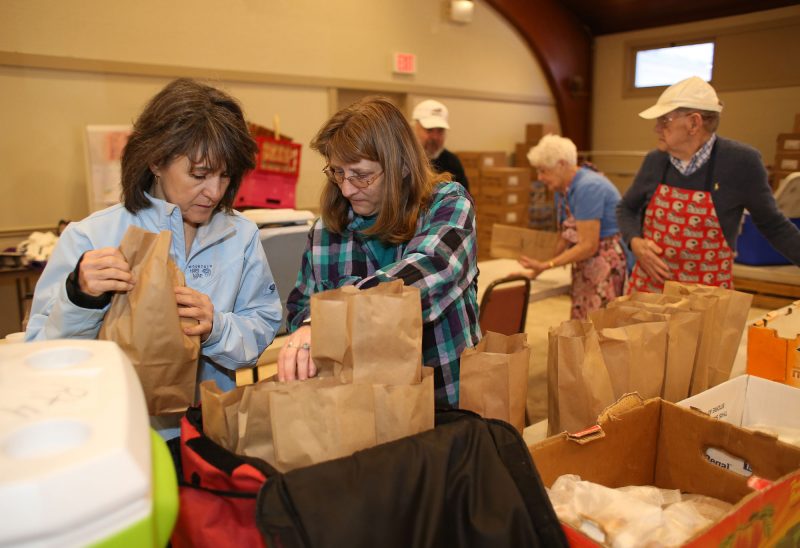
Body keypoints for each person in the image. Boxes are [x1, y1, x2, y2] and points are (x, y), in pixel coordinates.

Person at [26, 78, 283, 437]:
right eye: (199, 174)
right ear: (156, 161)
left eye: (225, 176)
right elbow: (41, 356)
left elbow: (261, 326)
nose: (214, 191)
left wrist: (216, 328)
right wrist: (80, 297)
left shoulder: (239, 235)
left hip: (210, 430)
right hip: (117, 433)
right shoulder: (91, 237)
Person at [277, 96, 480, 408]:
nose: (346, 188)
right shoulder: (325, 233)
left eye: (361, 175)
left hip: (444, 403)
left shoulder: (449, 205)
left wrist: (331, 317)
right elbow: (301, 307)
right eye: (338, 172)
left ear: (400, 166)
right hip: (361, 409)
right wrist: (308, 324)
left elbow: (431, 269)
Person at [618, 76, 800, 293]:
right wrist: (635, 242)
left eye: (664, 120)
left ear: (694, 123)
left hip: (706, 299)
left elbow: (774, 225)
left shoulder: (741, 163)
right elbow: (626, 209)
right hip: (650, 292)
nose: (656, 128)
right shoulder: (655, 161)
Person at [515, 134, 627, 319]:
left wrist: (548, 264)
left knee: (597, 324)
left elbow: (588, 245)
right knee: (582, 321)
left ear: (561, 164)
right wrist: (538, 270)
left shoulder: (588, 187)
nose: (540, 177)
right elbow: (565, 236)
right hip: (586, 260)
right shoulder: (562, 189)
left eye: (543, 171)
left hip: (605, 260)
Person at [412, 99, 470, 192]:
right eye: (429, 130)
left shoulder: (452, 163)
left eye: (440, 131)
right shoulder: (404, 162)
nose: (435, 137)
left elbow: (465, 198)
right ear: (414, 129)